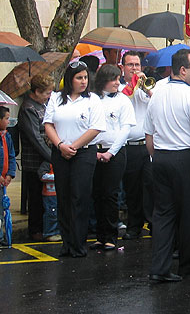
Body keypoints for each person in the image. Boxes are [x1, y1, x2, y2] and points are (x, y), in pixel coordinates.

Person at [144, 49, 190, 282]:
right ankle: (188, 266)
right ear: (183, 70)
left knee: (162, 215)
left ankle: (159, 268)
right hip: (184, 158)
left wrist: (156, 158)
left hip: (161, 157)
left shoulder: (157, 94)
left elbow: (149, 135)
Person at [44, 60, 106, 258]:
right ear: (70, 79)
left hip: (84, 152)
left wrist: (75, 146)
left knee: (79, 196)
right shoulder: (56, 98)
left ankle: (78, 243)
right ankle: (67, 242)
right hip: (61, 151)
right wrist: (61, 145)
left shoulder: (93, 100)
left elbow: (95, 128)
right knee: (63, 196)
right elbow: (48, 124)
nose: (83, 81)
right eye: (79, 77)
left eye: (85, 77)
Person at [91, 64, 136, 251]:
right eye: (114, 79)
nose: (118, 83)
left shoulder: (123, 101)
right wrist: (95, 152)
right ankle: (99, 235)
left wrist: (110, 152)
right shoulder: (92, 99)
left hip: (114, 152)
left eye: (119, 79)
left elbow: (125, 129)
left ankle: (110, 235)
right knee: (96, 194)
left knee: (110, 194)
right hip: (94, 150)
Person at [119, 51, 154, 240]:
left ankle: (153, 223)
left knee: (150, 185)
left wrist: (146, 88)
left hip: (147, 145)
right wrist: (133, 85)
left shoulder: (146, 86)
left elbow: (157, 102)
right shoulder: (119, 89)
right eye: (130, 65)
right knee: (132, 188)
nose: (134, 69)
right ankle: (134, 225)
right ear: (123, 68)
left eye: (137, 65)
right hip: (129, 145)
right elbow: (124, 100)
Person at [18, 74, 54, 241]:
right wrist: (53, 157)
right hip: (34, 161)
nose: (49, 96)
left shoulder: (43, 105)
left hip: (46, 158)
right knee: (36, 198)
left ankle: (46, 227)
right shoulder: (28, 108)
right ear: (37, 91)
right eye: (47, 93)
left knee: (46, 197)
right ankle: (35, 229)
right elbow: (35, 138)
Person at [0, 106, 16, 188]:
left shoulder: (7, 136)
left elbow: (11, 156)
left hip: (3, 180)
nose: (8, 122)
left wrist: (10, 174)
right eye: (6, 118)